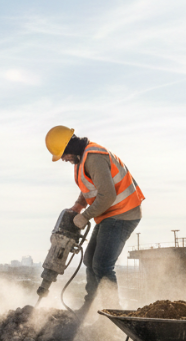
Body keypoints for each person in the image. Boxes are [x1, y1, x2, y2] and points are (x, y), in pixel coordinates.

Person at [45, 126, 144, 313]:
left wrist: (84, 217)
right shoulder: (81, 159)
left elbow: (107, 195)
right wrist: (78, 205)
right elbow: (89, 186)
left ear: (71, 147)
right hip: (108, 214)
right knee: (90, 260)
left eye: (63, 154)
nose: (64, 159)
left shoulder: (94, 158)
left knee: (102, 264)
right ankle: (89, 308)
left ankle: (113, 313)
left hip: (122, 214)